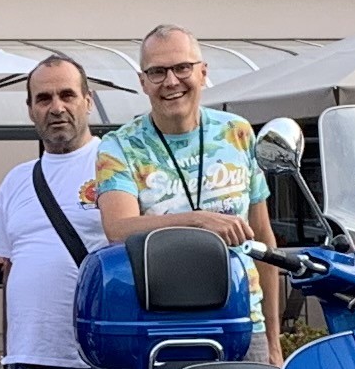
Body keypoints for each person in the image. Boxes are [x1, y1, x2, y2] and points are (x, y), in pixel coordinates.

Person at [0, 52, 122, 369]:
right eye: (43, 98)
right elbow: (10, 272)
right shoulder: (16, 181)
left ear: (88, 100)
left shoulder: (116, 167)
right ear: (30, 109)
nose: (56, 107)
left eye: (67, 94)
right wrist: (9, 359)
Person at [91, 24, 274, 350]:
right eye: (157, 72)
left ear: (203, 72)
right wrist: (198, 221)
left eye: (182, 68)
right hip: (162, 330)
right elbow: (118, 229)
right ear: (143, 82)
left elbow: (262, 239)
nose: (171, 81)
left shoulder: (238, 132)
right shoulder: (120, 146)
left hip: (244, 325)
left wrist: (274, 342)